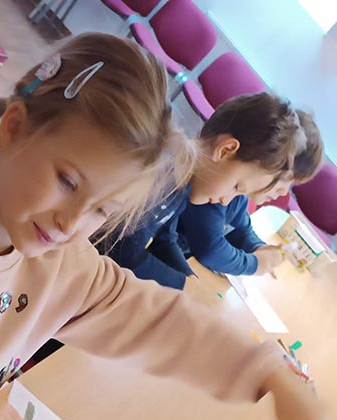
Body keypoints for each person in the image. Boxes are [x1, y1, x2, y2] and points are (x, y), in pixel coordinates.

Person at [0, 33, 334, 420]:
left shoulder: (63, 263)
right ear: (16, 128)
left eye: (102, 210)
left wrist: (271, 374)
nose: (70, 223)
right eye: (67, 182)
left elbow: (161, 322)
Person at [103, 93, 306, 289]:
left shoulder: (185, 183)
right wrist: (184, 285)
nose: (226, 201)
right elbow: (120, 252)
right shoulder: (162, 175)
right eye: (236, 187)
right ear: (225, 150)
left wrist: (189, 278)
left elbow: (164, 239)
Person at [179, 103, 323, 281]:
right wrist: (255, 264)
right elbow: (210, 249)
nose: (284, 191)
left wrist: (257, 248)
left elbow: (241, 228)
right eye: (283, 179)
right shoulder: (215, 188)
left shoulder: (236, 192)